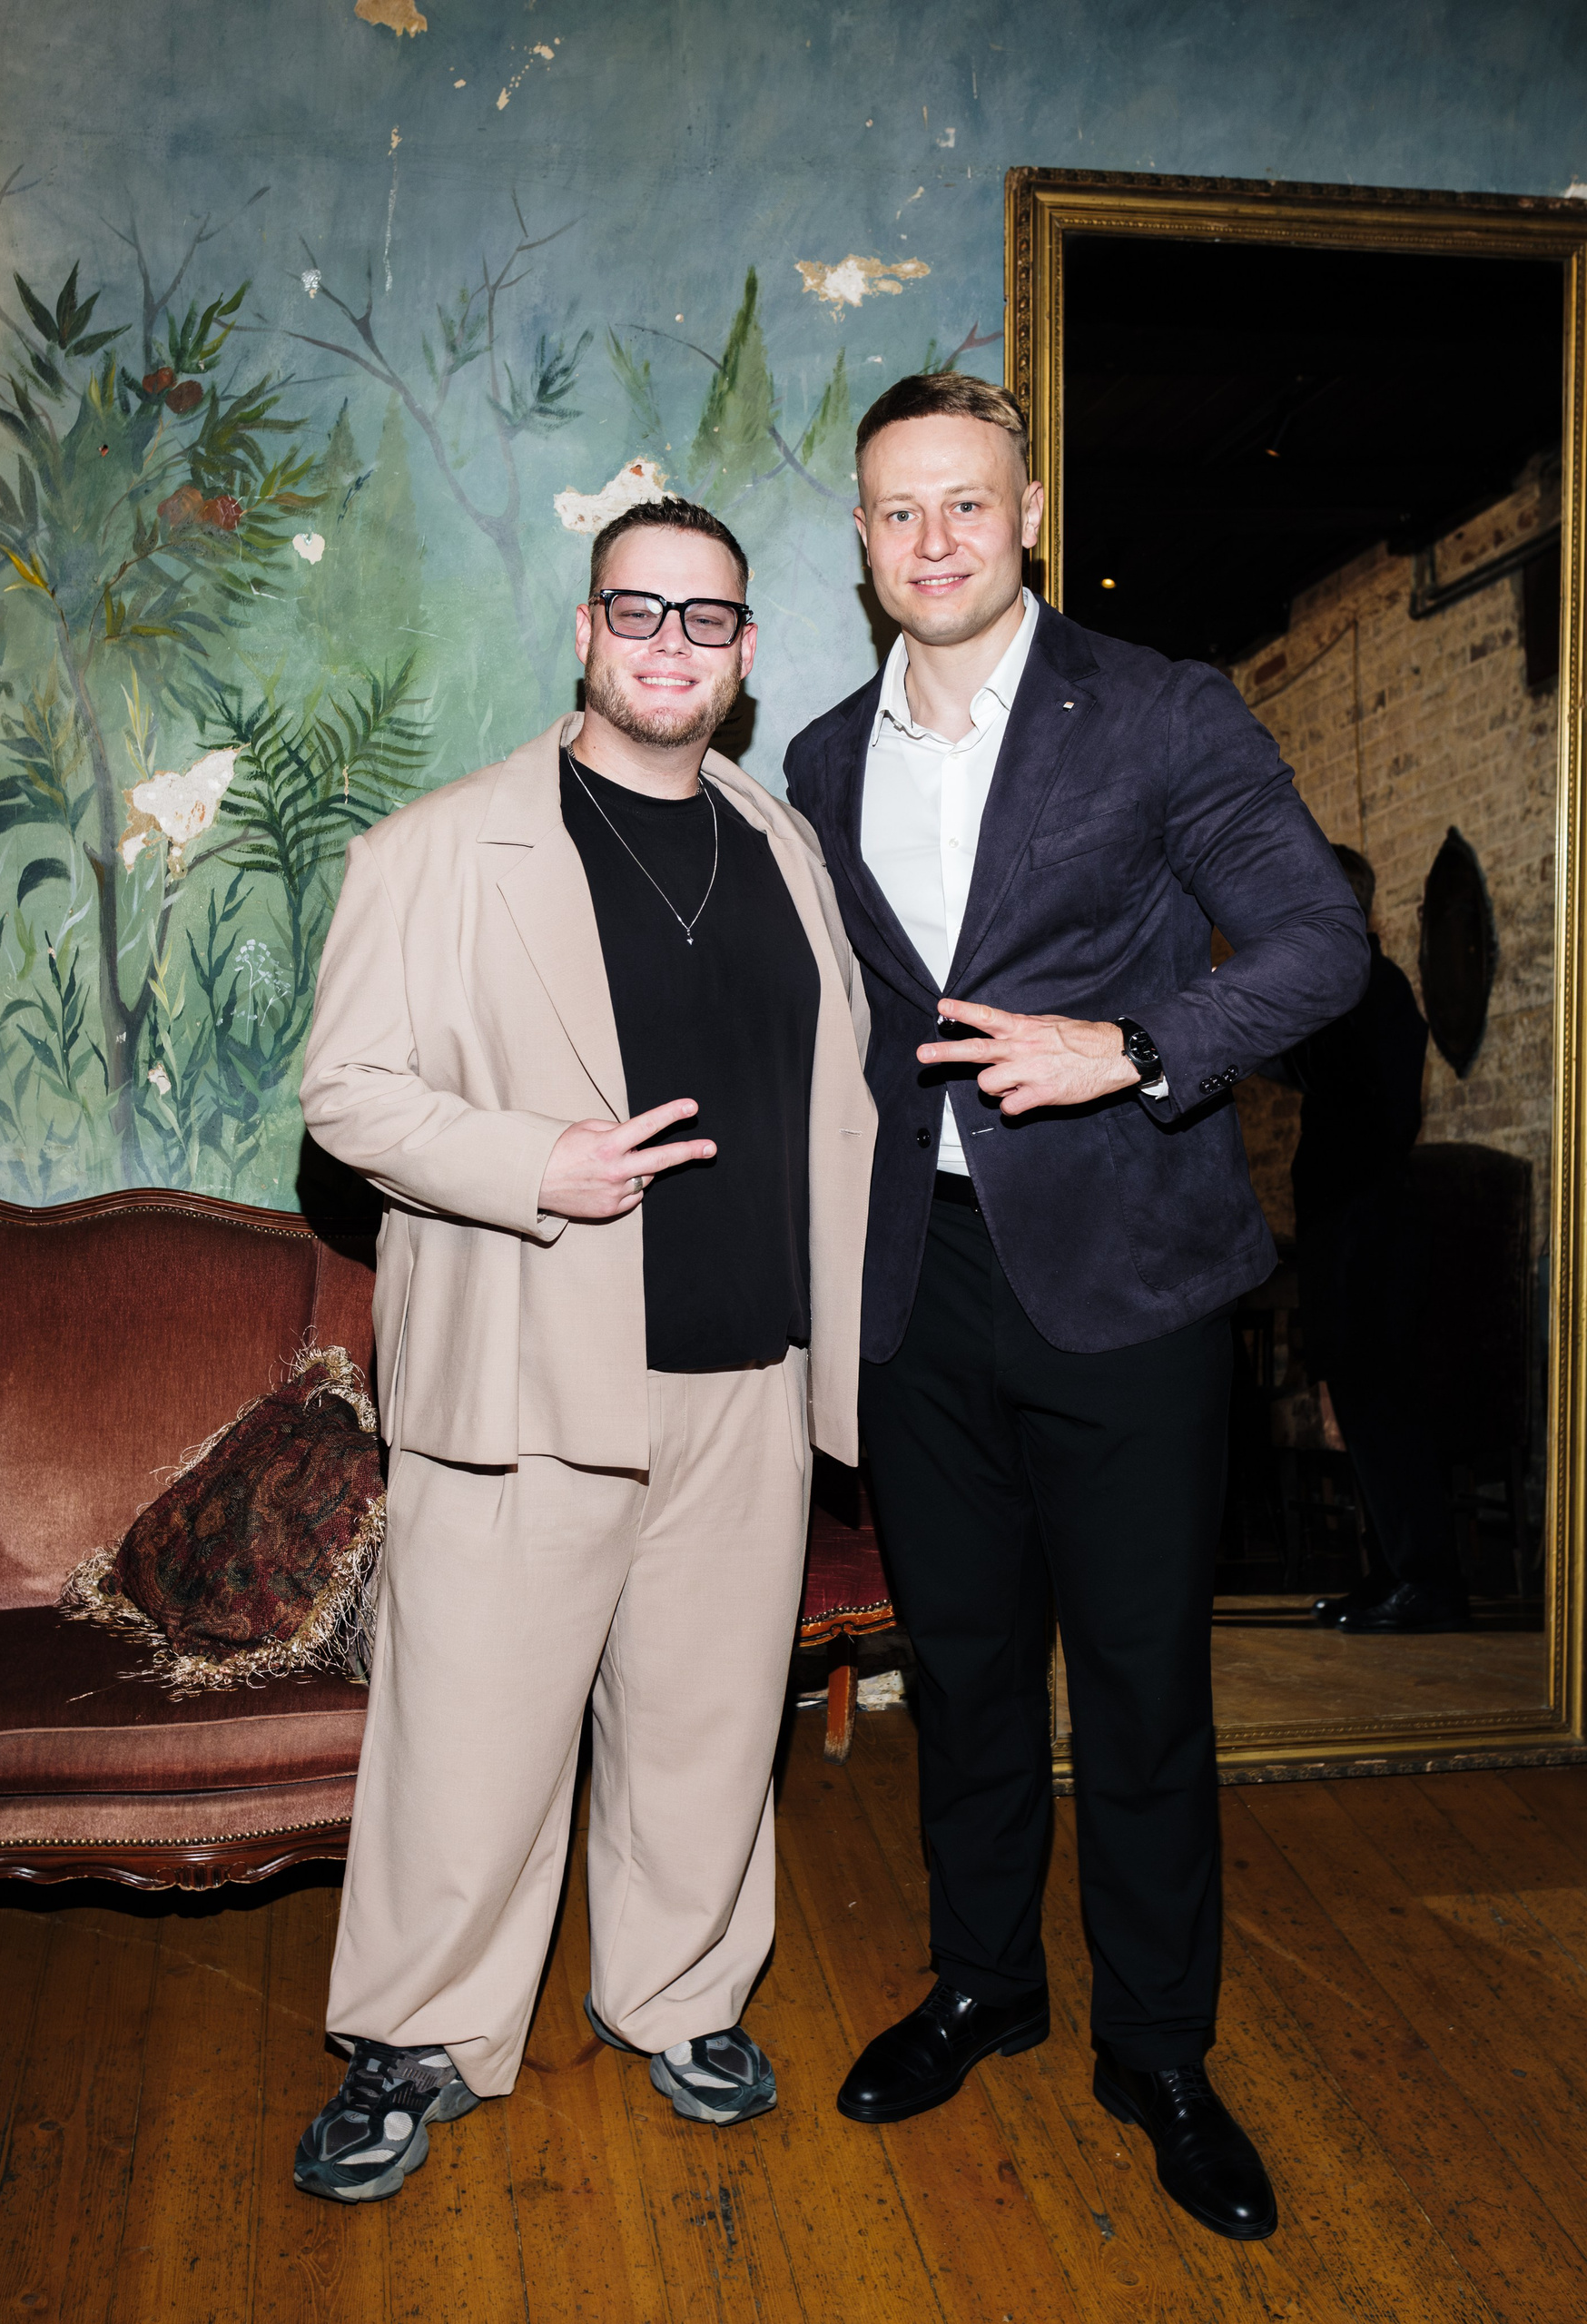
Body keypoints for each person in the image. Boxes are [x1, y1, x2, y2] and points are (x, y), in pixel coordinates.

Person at [784, 371, 1367, 2243]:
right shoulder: (819, 759)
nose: (935, 538)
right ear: (861, 539)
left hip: (1130, 1276)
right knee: (960, 1671)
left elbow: (1320, 945)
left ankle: (1159, 2050)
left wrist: (1129, 1046)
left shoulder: (1162, 709)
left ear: (1028, 515)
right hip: (918, 1282)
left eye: (968, 501)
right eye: (898, 509)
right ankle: (984, 1984)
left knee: (1138, 1685)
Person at [292, 496, 875, 2203]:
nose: (670, 645)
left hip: (749, 1381)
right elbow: (347, 1097)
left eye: (708, 618)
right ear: (584, 629)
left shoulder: (786, 850)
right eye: (639, 610)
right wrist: (529, 1163)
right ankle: (416, 2039)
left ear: (747, 651)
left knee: (709, 1731)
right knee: (468, 1741)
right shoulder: (435, 851)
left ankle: (680, 1998)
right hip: (527, 1379)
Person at [1284, 847, 1470, 1631]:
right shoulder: (1349, 983)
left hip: (1371, 1231)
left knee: (1385, 1407)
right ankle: (1391, 1569)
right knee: (1361, 1411)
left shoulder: (1368, 982)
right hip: (1346, 1228)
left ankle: (1428, 1582)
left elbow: (1367, 1109)